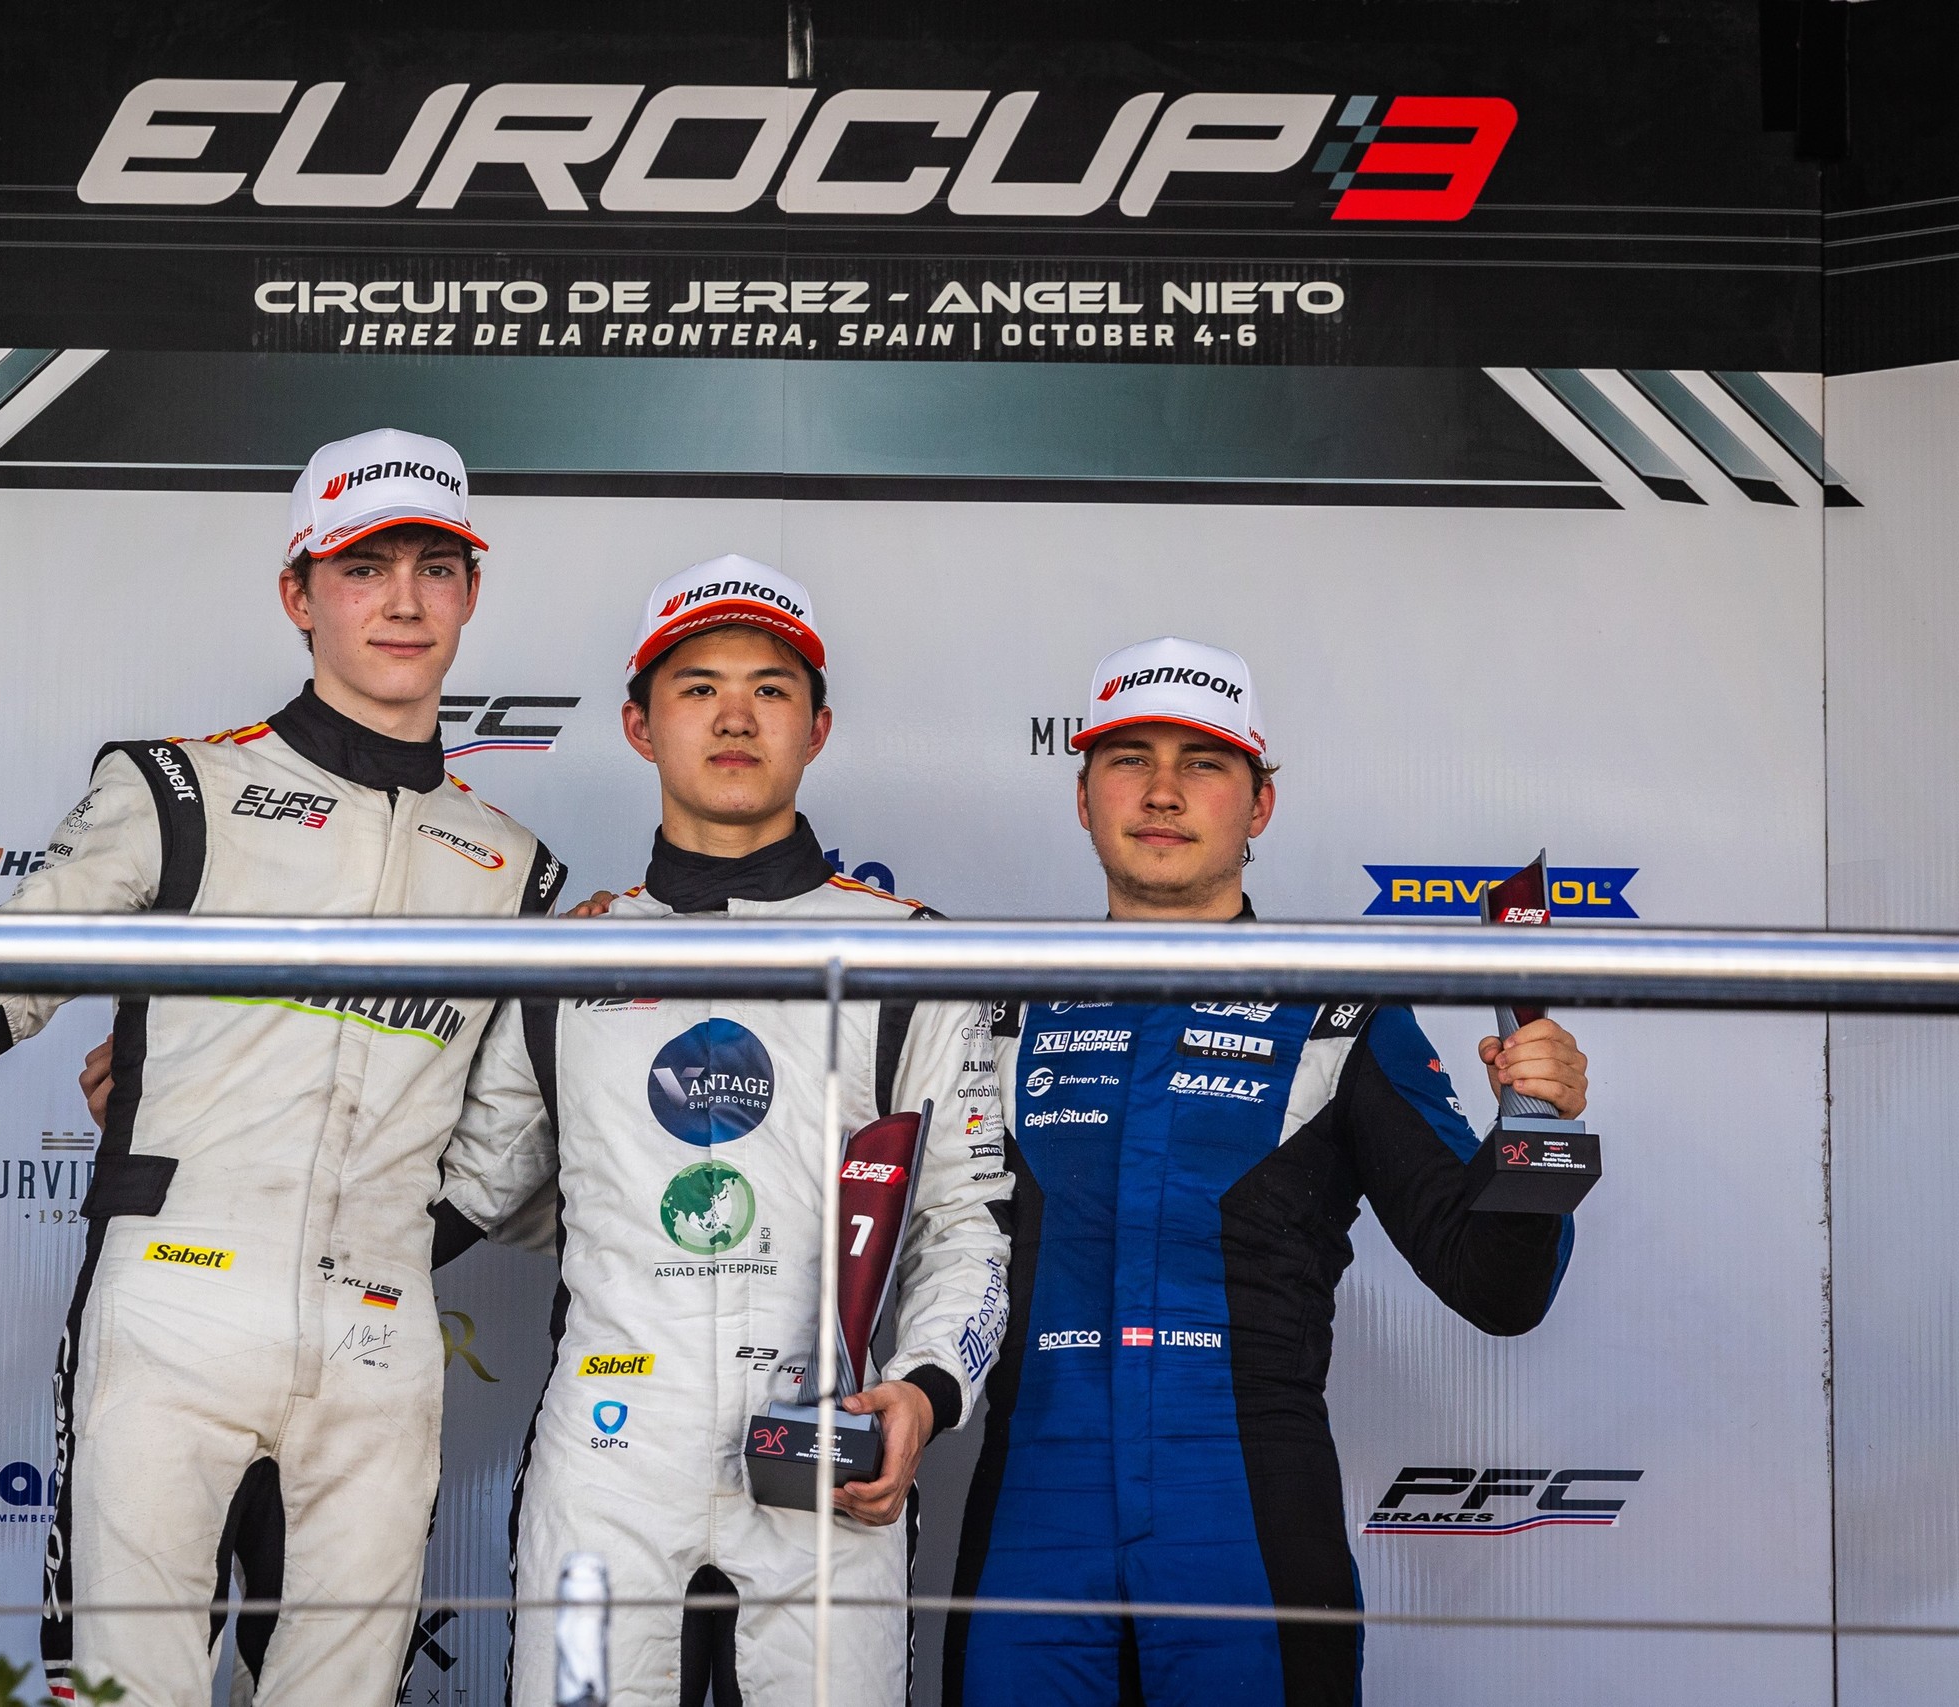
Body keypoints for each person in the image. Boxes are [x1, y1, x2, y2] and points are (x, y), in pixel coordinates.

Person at [0, 428, 567, 1707]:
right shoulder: (176, 789)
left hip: (380, 1348)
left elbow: (502, 1165)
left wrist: (380, 1244)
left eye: (434, 568)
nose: (402, 600)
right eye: (363, 567)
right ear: (297, 594)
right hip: (170, 1314)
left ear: (470, 593)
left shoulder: (518, 870)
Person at [945, 636, 1589, 1707]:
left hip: (1246, 1517)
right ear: (1082, 796)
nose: (1162, 791)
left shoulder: (1340, 1008)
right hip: (1030, 1518)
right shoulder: (993, 1008)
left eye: (1202, 763)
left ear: (1260, 806)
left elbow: (1499, 1287)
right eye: (1129, 759)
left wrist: (1536, 1123)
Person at [434, 557, 1014, 1707]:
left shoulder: (913, 956)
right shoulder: (564, 962)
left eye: (770, 689)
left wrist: (923, 1391)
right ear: (639, 725)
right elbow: (462, 1193)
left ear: (817, 727)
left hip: (825, 1465)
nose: (735, 716)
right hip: (607, 1472)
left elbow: (970, 1224)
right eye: (698, 687)